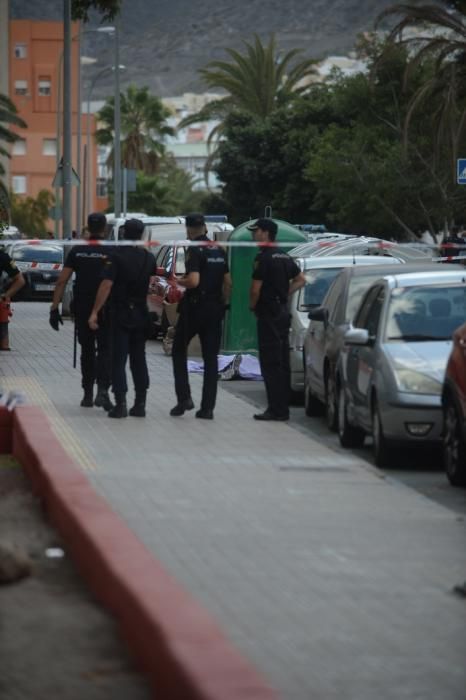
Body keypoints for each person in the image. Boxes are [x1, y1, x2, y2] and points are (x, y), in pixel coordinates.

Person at [88, 218, 156, 419]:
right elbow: (151, 286)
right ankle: (140, 404)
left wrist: (94, 312)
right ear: (142, 235)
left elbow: (106, 285)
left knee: (118, 360)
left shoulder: (115, 256)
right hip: (141, 314)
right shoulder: (149, 258)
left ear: (124, 233)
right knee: (139, 359)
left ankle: (121, 404)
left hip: (121, 313)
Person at [170, 213, 231, 420]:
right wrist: (222, 302)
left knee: (178, 350)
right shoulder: (219, 249)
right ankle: (208, 409)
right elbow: (228, 282)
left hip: (194, 309)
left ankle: (184, 398)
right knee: (211, 359)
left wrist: (181, 282)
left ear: (188, 230)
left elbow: (194, 281)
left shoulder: (195, 249)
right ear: (204, 227)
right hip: (215, 308)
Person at [49, 212, 113, 410]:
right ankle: (103, 390)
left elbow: (62, 280)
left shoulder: (77, 251)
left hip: (83, 307)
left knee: (87, 350)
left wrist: (54, 308)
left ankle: (87, 394)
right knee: (105, 350)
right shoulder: (112, 250)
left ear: (88, 227)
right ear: (104, 228)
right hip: (107, 307)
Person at [248, 218, 305, 421]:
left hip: (268, 313)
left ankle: (275, 409)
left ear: (266, 233)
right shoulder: (284, 256)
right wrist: (284, 294)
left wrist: (252, 305)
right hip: (281, 311)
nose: (254, 235)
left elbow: (255, 289)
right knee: (282, 361)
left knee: (270, 362)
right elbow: (301, 279)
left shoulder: (264, 258)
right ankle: (283, 408)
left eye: (256, 231)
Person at [0, 249, 25, 350]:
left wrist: (4, 297)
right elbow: (20, 281)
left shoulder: (3, 257)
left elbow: (20, 280)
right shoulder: (3, 256)